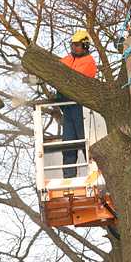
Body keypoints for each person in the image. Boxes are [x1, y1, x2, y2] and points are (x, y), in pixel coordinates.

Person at [57, 30, 97, 178]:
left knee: (85, 142)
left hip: (80, 107)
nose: (74, 48)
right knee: (68, 143)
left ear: (85, 45)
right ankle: (68, 176)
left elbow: (74, 81)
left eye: (77, 45)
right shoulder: (68, 59)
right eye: (72, 45)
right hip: (68, 108)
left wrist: (63, 78)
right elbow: (56, 70)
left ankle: (94, 173)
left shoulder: (89, 62)